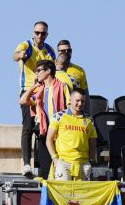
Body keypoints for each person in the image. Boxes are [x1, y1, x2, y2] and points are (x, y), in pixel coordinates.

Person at [14, 22, 55, 174]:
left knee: (44, 127)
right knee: (28, 126)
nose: (39, 36)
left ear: (47, 34)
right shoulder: (27, 45)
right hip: (28, 91)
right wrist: (20, 55)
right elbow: (15, 55)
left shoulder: (49, 50)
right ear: (33, 32)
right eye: (37, 32)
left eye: (43, 33)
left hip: (45, 92)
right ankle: (26, 164)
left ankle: (44, 165)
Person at [20, 60, 69, 179]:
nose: (36, 73)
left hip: (59, 133)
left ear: (48, 71)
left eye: (38, 70)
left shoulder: (62, 86)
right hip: (43, 133)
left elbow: (69, 107)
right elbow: (22, 101)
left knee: (61, 170)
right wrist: (34, 86)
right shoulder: (39, 91)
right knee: (45, 171)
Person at [46, 89, 96, 181]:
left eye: (82, 101)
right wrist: (55, 159)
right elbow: (49, 139)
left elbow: (92, 141)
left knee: (83, 194)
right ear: (70, 100)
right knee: (63, 192)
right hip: (63, 162)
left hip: (83, 163)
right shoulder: (58, 116)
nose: (80, 103)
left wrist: (91, 160)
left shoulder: (89, 120)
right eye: (77, 100)